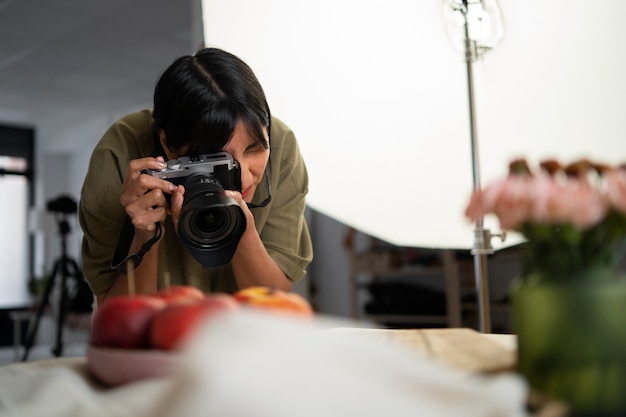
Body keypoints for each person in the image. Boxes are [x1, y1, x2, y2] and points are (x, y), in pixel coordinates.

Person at [78, 47, 313, 305]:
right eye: (219, 161)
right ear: (168, 146)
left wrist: (242, 228)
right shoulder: (119, 154)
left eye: (255, 149)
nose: (245, 178)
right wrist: (145, 237)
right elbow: (118, 317)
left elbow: (273, 301)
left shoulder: (282, 146)